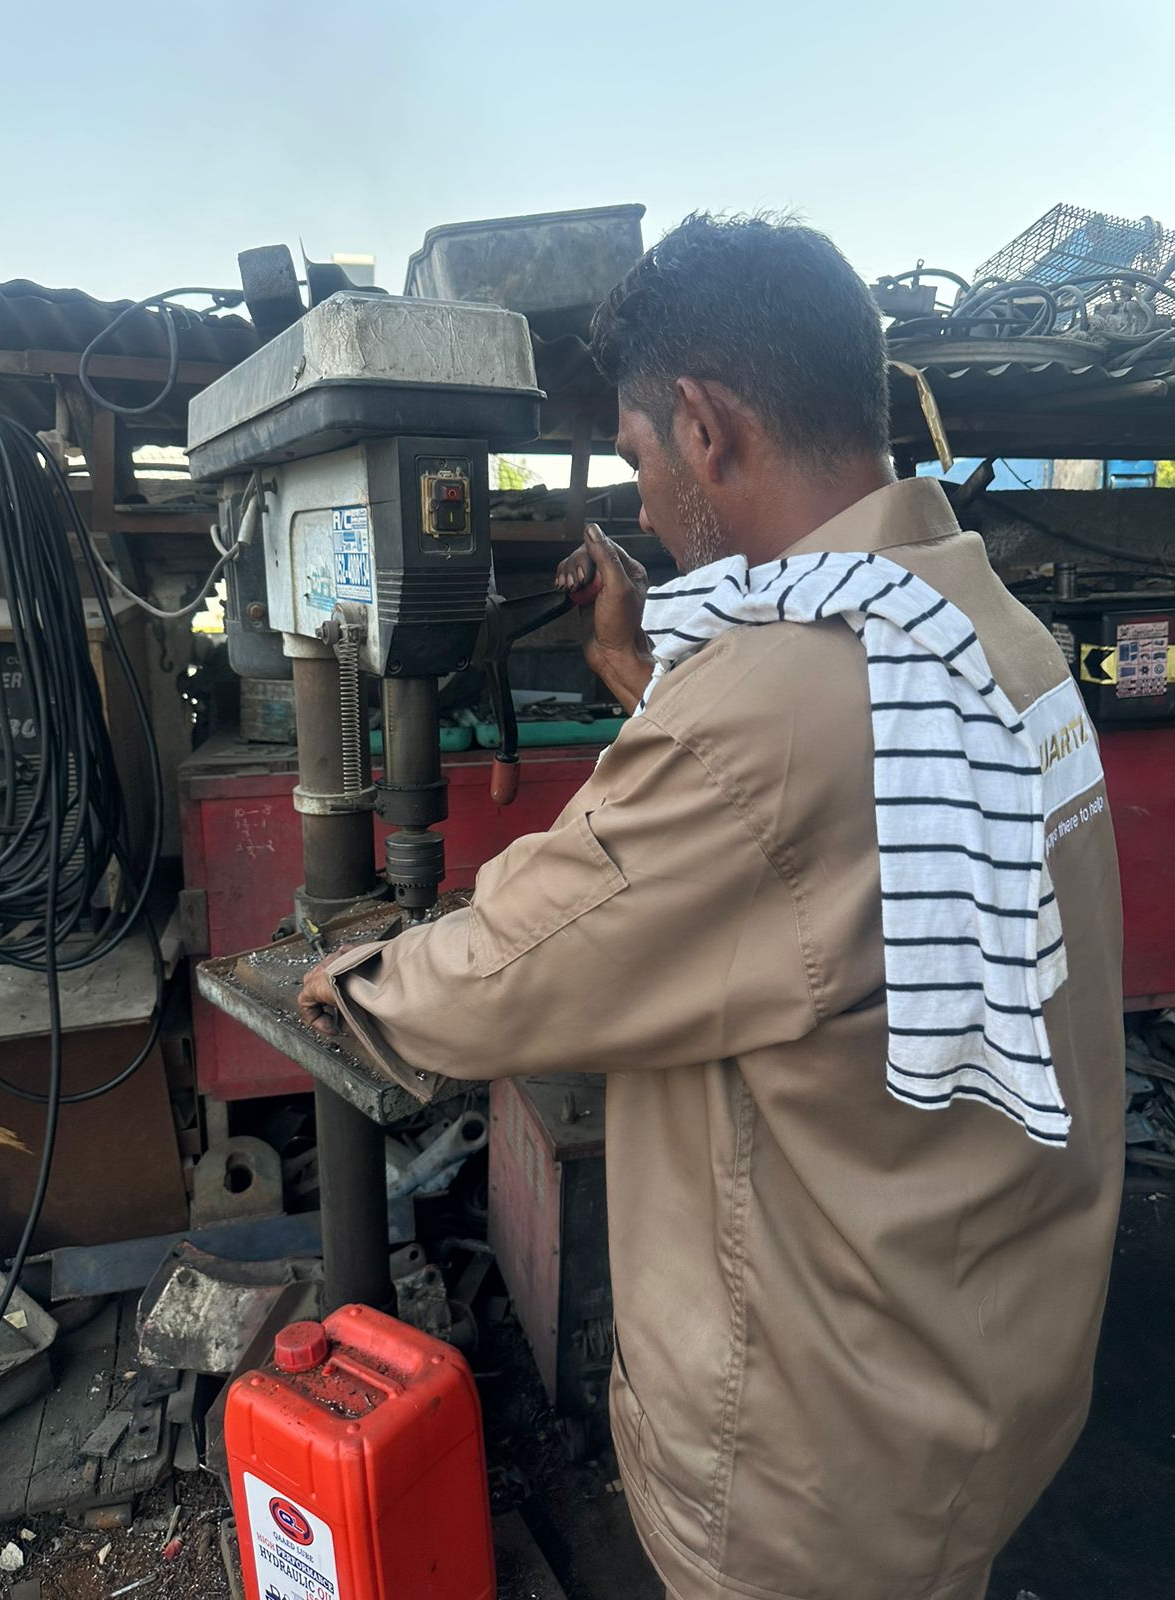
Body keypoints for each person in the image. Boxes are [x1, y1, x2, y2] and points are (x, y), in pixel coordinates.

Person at [298, 214, 1123, 1600]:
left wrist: (357, 983)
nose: (640, 503)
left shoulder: (775, 704)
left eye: (636, 456)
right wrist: (639, 669)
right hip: (976, 1368)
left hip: (810, 1461)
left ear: (704, 424)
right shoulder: (987, 634)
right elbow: (819, 846)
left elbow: (517, 965)